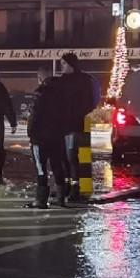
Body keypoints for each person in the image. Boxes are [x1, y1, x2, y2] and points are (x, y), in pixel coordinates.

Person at [25, 66, 71, 208]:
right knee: (57, 166)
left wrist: (30, 132)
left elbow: (34, 115)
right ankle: (61, 198)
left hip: (40, 138)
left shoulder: (40, 93)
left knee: (41, 168)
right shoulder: (62, 93)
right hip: (57, 136)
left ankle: (41, 200)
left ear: (40, 78)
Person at [58, 52, 100, 199]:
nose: (61, 67)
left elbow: (89, 101)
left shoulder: (78, 81)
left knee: (71, 157)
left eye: (63, 64)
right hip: (68, 124)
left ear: (70, 65)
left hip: (73, 125)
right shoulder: (66, 80)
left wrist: (75, 113)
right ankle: (68, 185)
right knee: (66, 157)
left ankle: (75, 187)